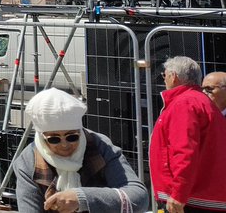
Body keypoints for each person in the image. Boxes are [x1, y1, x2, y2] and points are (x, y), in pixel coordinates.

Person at [11, 88, 147, 213]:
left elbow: (139, 197)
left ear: (80, 132)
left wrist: (81, 198)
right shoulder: (28, 161)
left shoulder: (100, 146)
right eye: (54, 139)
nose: (64, 145)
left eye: (72, 137)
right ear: (42, 137)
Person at [150, 56, 226, 213]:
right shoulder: (201, 102)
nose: (164, 80)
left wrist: (178, 194)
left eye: (164, 75)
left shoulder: (184, 103)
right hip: (202, 196)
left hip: (190, 200)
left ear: (174, 76)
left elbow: (184, 151)